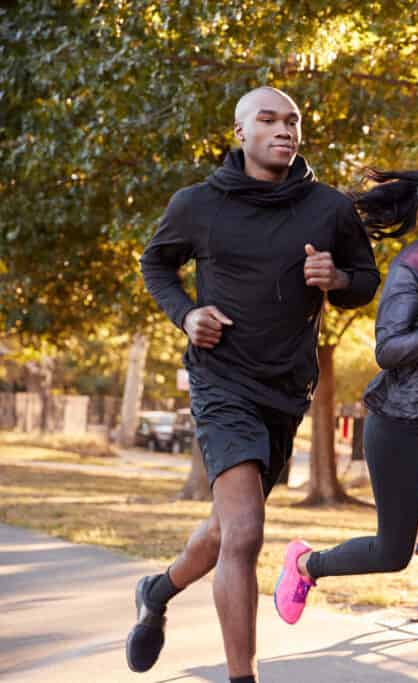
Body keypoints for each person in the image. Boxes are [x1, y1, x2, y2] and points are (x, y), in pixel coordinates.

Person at [128, 86, 381, 683]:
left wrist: (337, 275)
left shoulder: (328, 208)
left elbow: (366, 280)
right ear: (240, 133)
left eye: (292, 120)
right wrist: (186, 314)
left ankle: (157, 590)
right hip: (221, 382)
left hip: (286, 391)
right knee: (245, 533)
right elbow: (155, 263)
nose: (284, 129)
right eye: (267, 120)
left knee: (222, 534)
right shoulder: (197, 205)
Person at [273, 162, 418, 683]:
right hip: (399, 422)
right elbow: (389, 350)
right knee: (393, 553)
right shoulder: (414, 264)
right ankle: (306, 565)